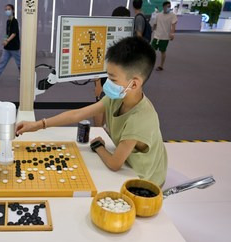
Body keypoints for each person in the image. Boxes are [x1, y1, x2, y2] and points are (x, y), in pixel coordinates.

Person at [16, 37, 167, 187]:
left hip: (145, 180)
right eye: (107, 77)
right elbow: (77, 114)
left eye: (113, 79)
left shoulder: (139, 119)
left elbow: (115, 164)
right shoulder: (118, 97)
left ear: (134, 83)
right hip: (129, 162)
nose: (107, 84)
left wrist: (98, 147)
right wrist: (38, 125)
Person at [94, 6, 130, 127]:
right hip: (105, 80)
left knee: (118, 110)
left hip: (122, 82)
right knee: (100, 107)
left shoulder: (128, 39)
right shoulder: (105, 37)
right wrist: (98, 84)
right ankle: (98, 130)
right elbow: (97, 62)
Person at [0, 4, 20, 81]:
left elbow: (14, 33)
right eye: (6, 10)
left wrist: (7, 40)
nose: (7, 11)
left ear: (12, 11)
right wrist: (5, 40)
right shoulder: (8, 21)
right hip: (7, 47)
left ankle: (23, 75)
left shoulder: (15, 21)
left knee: (19, 63)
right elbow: (7, 33)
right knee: (3, 61)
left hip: (14, 47)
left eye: (9, 9)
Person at [151, 1, 177, 71]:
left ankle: (161, 66)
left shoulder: (172, 15)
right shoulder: (158, 15)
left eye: (169, 6)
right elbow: (154, 24)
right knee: (152, 50)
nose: (169, 8)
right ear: (164, 7)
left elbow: (173, 25)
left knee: (163, 51)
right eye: (167, 6)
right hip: (157, 36)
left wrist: (172, 34)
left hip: (165, 37)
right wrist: (151, 30)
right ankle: (150, 64)